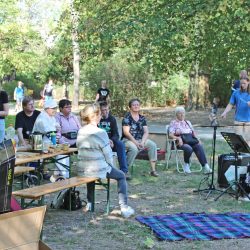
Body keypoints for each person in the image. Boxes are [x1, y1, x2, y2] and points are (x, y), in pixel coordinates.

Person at [77, 103, 135, 218]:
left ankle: (90, 204)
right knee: (121, 176)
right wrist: (111, 167)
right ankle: (124, 208)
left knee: (91, 176)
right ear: (95, 116)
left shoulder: (81, 131)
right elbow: (108, 156)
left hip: (82, 168)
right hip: (97, 168)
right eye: (99, 114)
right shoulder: (101, 132)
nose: (101, 117)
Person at [168, 106, 212, 174]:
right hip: (180, 143)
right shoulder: (173, 123)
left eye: (183, 113)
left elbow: (193, 132)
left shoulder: (188, 122)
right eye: (180, 113)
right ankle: (186, 164)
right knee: (188, 148)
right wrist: (178, 138)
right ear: (176, 114)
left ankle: (205, 166)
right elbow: (170, 135)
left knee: (199, 146)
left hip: (191, 141)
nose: (182, 114)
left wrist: (197, 139)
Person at [122, 98, 158, 177]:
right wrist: (136, 143)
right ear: (130, 107)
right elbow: (126, 133)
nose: (136, 106)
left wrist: (142, 142)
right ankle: (125, 171)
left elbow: (146, 132)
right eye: (134, 105)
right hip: (128, 140)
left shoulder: (142, 118)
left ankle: (153, 170)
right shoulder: (127, 118)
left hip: (140, 140)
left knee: (152, 145)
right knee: (134, 148)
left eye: (137, 105)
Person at [98, 102, 130, 178]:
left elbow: (116, 134)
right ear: (99, 111)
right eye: (102, 110)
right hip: (99, 143)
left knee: (120, 144)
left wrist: (112, 140)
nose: (105, 112)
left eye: (106, 110)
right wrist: (106, 142)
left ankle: (124, 171)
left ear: (108, 109)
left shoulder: (112, 119)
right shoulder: (96, 119)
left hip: (111, 142)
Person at [54, 99, 81, 178]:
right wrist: (64, 143)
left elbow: (80, 129)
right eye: (66, 107)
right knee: (63, 152)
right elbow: (57, 133)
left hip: (76, 141)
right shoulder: (57, 117)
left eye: (70, 107)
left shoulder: (74, 117)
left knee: (87, 148)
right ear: (61, 109)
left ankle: (86, 170)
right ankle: (63, 174)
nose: (69, 108)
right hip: (64, 142)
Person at [221, 77, 250, 145]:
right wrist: (225, 112)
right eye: (241, 83)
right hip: (238, 120)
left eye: (244, 83)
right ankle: (239, 155)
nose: (242, 85)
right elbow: (230, 104)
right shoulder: (236, 93)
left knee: (248, 140)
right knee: (238, 140)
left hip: (249, 121)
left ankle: (248, 155)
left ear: (248, 82)